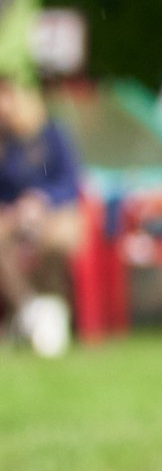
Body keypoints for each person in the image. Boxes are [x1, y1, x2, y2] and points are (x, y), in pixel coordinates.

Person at [0, 71, 87, 354]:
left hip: (55, 213)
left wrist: (40, 199)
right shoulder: (4, 143)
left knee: (59, 241)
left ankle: (46, 312)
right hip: (14, 218)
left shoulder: (49, 133)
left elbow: (71, 181)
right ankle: (31, 309)